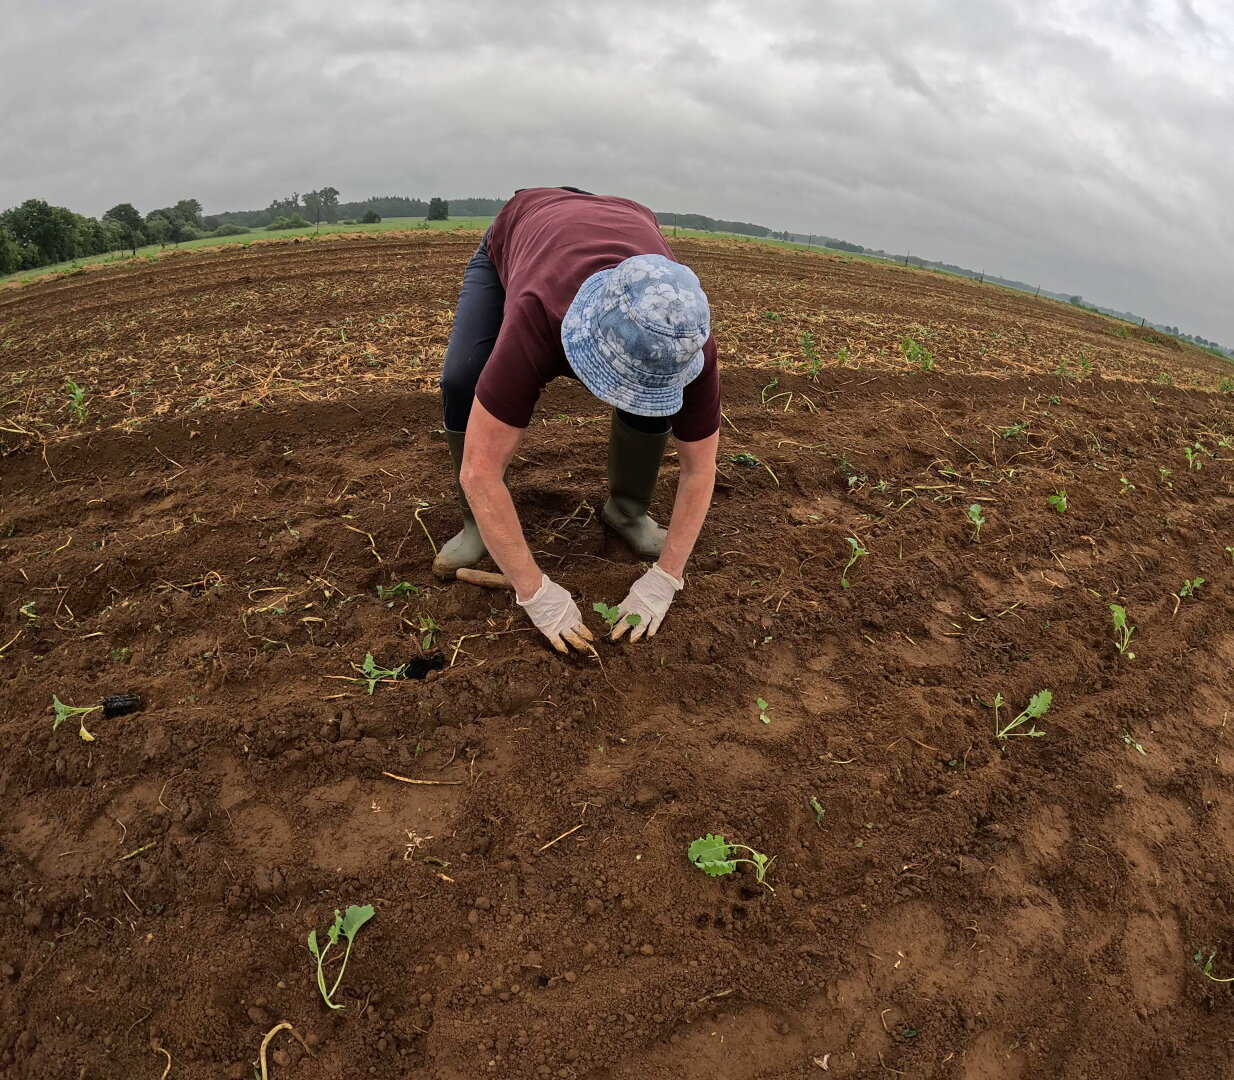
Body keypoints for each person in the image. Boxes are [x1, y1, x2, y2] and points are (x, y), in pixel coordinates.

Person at [434, 187, 720, 654]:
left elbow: (699, 468)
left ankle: (627, 511)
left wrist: (666, 579)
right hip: (525, 230)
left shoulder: (687, 340)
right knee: (464, 378)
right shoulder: (537, 312)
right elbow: (479, 470)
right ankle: (474, 525)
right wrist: (536, 593)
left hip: (625, 218)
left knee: (651, 396)